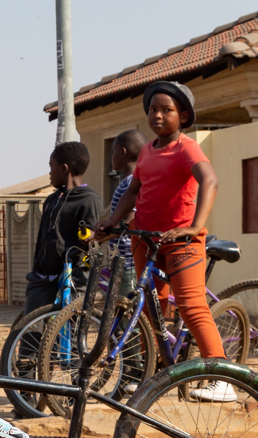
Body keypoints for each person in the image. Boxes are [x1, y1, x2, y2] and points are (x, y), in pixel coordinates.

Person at [95, 80, 233, 402]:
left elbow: (209, 180)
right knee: (148, 308)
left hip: (180, 239)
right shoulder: (147, 150)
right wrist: (113, 221)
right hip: (146, 237)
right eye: (153, 109)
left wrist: (195, 226)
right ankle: (155, 373)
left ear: (182, 116)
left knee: (190, 305)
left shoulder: (186, 147)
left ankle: (222, 377)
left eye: (166, 110)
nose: (157, 115)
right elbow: (133, 190)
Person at [24, 142, 100, 316]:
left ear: (64, 168)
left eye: (51, 167)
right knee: (30, 331)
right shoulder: (51, 200)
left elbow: (92, 237)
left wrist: (89, 239)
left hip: (72, 276)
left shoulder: (88, 199)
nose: (49, 173)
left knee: (69, 331)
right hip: (42, 277)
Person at [109, 130, 147, 297]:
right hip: (122, 262)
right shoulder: (127, 183)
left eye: (112, 152)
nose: (111, 157)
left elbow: (129, 221)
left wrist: (99, 235)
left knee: (128, 316)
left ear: (123, 152)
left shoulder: (131, 184)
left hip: (129, 263)